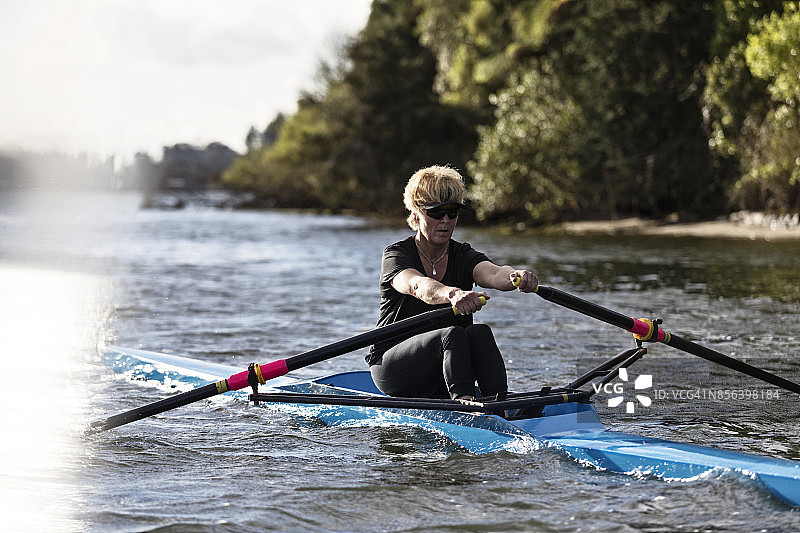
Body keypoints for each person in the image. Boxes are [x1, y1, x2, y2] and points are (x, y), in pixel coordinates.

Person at [367, 165, 538, 401]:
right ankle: (465, 408)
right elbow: (417, 286)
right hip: (393, 367)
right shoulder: (396, 255)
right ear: (416, 214)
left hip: (444, 365)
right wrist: (453, 294)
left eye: (453, 212)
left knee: (479, 332)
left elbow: (493, 273)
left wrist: (515, 276)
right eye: (436, 213)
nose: (446, 220)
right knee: (453, 334)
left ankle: (501, 406)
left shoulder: (462, 254)